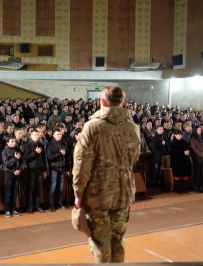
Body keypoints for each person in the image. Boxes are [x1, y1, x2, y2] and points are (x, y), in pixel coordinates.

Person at [72, 86, 140, 263]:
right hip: (124, 192)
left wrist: (78, 195)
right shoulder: (133, 128)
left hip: (98, 194)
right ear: (122, 103)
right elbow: (134, 158)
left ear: (102, 101)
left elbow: (81, 164)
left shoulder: (92, 127)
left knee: (100, 242)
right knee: (117, 240)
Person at [1, 135, 26, 218]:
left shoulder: (17, 150)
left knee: (15, 192)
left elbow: (23, 162)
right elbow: (7, 164)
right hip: (8, 174)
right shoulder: (4, 151)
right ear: (7, 142)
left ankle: (13, 208)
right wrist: (15, 159)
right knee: (8, 192)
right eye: (12, 141)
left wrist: (20, 170)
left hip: (17, 173)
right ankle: (7, 210)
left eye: (14, 141)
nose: (14, 143)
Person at [23, 129, 47, 214]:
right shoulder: (27, 145)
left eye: (38, 135)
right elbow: (26, 158)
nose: (37, 136)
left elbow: (44, 159)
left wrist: (44, 170)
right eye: (35, 135)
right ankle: (30, 207)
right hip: (31, 170)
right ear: (31, 135)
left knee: (38, 189)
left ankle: (37, 205)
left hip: (40, 169)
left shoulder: (41, 145)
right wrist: (35, 153)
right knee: (31, 189)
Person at [47, 127, 70, 212]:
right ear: (53, 135)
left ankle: (60, 203)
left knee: (61, 187)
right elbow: (50, 158)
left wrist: (67, 169)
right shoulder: (50, 145)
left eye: (60, 134)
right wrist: (60, 154)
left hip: (63, 168)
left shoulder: (64, 144)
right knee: (53, 187)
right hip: (54, 168)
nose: (60, 136)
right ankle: (51, 204)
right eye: (58, 134)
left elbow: (67, 158)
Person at [190, 125, 203, 193]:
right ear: (195, 130)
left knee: (202, 172)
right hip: (197, 157)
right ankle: (196, 186)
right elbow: (195, 149)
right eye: (198, 129)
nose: (200, 131)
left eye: (200, 129)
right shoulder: (193, 138)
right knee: (197, 172)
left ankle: (201, 186)